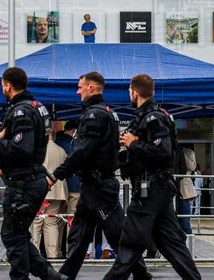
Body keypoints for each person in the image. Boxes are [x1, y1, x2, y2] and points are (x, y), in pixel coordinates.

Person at [51, 72, 151, 280]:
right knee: (78, 239)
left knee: (117, 236)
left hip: (99, 188)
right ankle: (64, 276)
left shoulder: (95, 115)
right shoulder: (104, 113)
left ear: (91, 88)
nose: (77, 91)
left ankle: (142, 274)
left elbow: (83, 151)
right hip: (92, 186)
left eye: (80, 87)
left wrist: (57, 174)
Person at [104, 74, 201, 280]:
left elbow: (164, 152)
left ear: (134, 92)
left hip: (151, 189)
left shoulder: (154, 118)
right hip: (157, 189)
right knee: (172, 243)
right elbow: (134, 155)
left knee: (129, 244)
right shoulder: (143, 117)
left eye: (129, 91)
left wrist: (133, 144)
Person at [0, 67, 67, 280]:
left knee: (12, 237)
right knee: (18, 235)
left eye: (2, 85)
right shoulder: (36, 107)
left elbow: (22, 149)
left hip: (24, 183)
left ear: (8, 85)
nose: (2, 89)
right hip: (30, 179)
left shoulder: (21, 110)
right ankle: (52, 276)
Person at [32, 134, 68, 258]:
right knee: (51, 222)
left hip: (40, 188)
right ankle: (52, 254)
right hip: (57, 190)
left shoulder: (37, 148)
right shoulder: (61, 150)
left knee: (36, 222)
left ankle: (35, 253)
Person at [55, 121, 81, 220]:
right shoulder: (74, 144)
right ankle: (71, 236)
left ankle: (59, 236)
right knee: (72, 215)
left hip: (58, 185)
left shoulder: (56, 142)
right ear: (74, 130)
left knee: (58, 218)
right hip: (74, 184)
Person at [176, 148, 198, 236]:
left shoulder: (188, 153)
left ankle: (189, 242)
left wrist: (184, 155)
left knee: (185, 221)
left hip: (185, 192)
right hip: (172, 189)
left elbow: (192, 167)